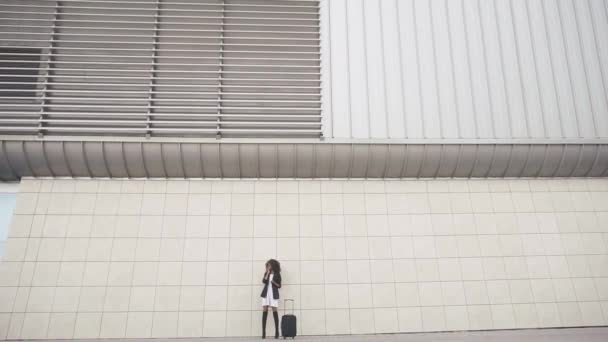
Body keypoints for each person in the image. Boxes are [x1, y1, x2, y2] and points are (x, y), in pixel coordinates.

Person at [260, 259, 282, 339]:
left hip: (273, 294)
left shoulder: (277, 274)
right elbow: (264, 281)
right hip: (266, 294)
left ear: (273, 265)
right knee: (264, 311)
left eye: (269, 265)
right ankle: (263, 333)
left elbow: (279, 286)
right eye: (267, 265)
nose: (268, 266)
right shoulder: (267, 273)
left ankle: (277, 332)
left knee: (274, 311)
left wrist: (273, 282)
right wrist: (267, 273)